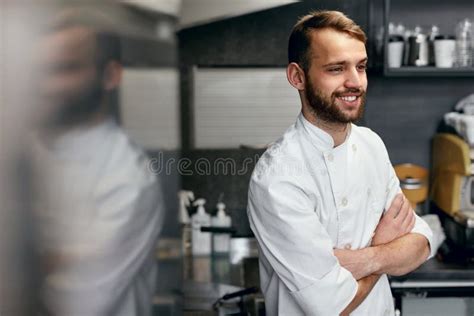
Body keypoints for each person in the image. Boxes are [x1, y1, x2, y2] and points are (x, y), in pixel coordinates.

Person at [247, 10, 434, 316]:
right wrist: (387, 247)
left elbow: (423, 242)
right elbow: (333, 306)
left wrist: (368, 258)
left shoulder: (371, 144)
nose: (355, 82)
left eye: (360, 67)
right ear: (297, 77)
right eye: (336, 69)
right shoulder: (278, 176)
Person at [31, 8, 163, 316]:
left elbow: (74, 303)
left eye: (66, 69)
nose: (48, 86)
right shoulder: (26, 152)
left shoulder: (128, 178)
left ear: (110, 75)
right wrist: (52, 259)